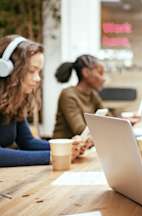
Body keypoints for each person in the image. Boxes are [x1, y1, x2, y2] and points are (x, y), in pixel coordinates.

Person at [0, 35, 83, 167]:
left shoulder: (13, 100)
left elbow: (27, 142)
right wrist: (51, 156)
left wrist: (66, 146)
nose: (38, 78)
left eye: (39, 72)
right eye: (31, 71)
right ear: (6, 69)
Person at [52, 54, 106, 139]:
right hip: (64, 149)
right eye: (100, 73)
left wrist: (127, 122)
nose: (104, 78)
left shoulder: (93, 94)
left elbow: (108, 118)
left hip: (84, 146)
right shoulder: (68, 95)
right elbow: (80, 130)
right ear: (86, 72)